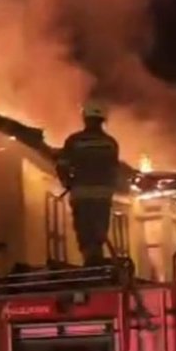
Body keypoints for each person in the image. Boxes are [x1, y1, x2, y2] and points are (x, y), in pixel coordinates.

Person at [56, 103, 120, 266]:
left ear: (85, 118)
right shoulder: (110, 142)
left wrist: (67, 182)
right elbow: (114, 169)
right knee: (100, 227)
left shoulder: (74, 140)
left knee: (84, 229)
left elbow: (62, 165)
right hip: (103, 194)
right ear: (102, 120)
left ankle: (90, 260)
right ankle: (96, 257)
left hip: (81, 193)